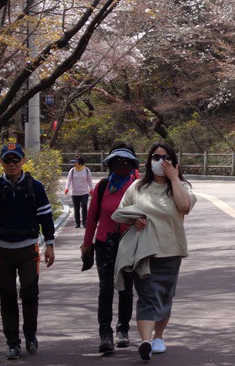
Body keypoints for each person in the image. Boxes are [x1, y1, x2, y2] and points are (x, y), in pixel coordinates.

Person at [0, 142, 55, 360]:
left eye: (16, 159)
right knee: (7, 297)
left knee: (29, 293)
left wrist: (50, 245)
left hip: (28, 250)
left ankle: (31, 335)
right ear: (2, 163)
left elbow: (45, 217)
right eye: (7, 160)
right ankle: (13, 343)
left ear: (23, 161)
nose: (12, 164)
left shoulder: (35, 187)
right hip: (2, 251)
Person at [112, 142, 196, 362]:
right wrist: (135, 219)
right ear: (149, 161)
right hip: (144, 252)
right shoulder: (137, 187)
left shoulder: (181, 186)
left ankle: (158, 336)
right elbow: (121, 210)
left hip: (171, 251)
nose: (160, 162)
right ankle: (145, 341)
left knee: (165, 296)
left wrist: (175, 178)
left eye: (165, 158)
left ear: (173, 162)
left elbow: (184, 206)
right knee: (148, 297)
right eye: (155, 157)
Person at [81, 144, 139, 354]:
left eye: (126, 162)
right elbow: (91, 217)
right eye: (117, 161)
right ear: (110, 164)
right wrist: (87, 244)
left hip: (129, 243)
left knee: (125, 287)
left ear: (132, 164)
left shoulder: (138, 186)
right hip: (105, 243)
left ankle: (123, 330)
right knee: (105, 288)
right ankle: (105, 334)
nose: (121, 165)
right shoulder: (103, 186)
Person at [65, 157, 94, 228]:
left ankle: (84, 222)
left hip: (84, 192)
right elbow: (68, 180)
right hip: (75, 193)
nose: (75, 163)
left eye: (76, 162)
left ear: (80, 162)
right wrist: (66, 188)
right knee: (76, 208)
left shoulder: (86, 170)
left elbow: (89, 181)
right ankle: (77, 223)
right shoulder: (72, 171)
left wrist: (91, 189)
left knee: (84, 206)